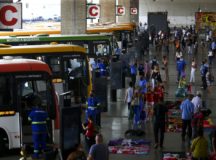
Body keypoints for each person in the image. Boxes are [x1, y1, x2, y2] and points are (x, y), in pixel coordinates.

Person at [28, 94, 49, 159]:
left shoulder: (33, 112)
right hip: (43, 130)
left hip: (36, 131)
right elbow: (48, 119)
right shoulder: (44, 112)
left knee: (36, 143)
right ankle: (45, 155)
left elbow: (29, 119)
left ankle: (36, 156)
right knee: (43, 142)